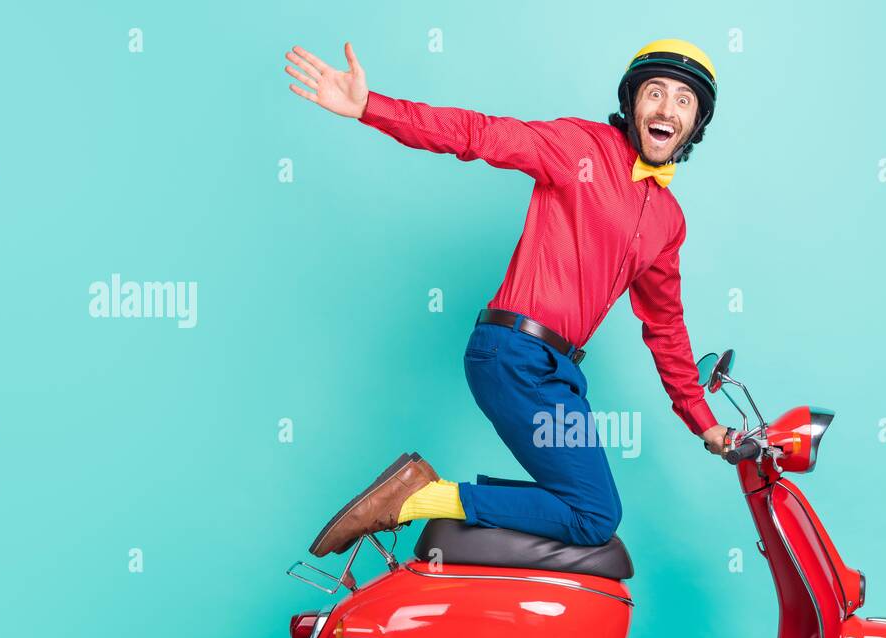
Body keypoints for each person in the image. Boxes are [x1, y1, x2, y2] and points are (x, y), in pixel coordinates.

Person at [287, 38, 729, 556]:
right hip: (513, 352)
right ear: (632, 102)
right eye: (655, 93)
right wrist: (370, 107)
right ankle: (420, 499)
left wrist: (707, 424)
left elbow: (666, 327)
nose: (666, 109)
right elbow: (477, 134)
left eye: (683, 100)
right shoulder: (580, 147)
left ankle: (423, 495)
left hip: (558, 373)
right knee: (595, 515)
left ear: (695, 123)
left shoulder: (667, 221)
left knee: (587, 507)